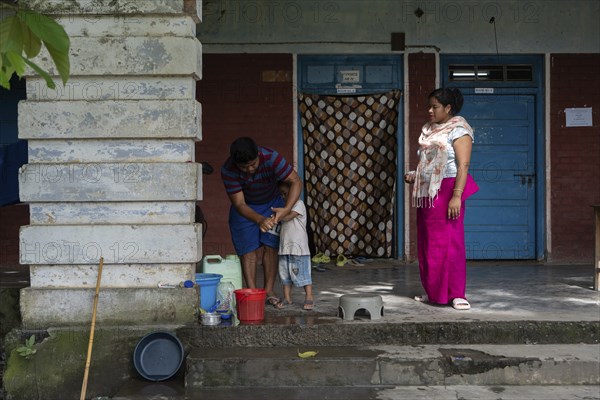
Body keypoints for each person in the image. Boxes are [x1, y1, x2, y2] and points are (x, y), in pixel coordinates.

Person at [404, 88, 479, 310]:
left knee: (450, 242)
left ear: (448, 108)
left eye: (435, 106)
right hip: (428, 192)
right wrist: (416, 175)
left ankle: (456, 294)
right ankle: (434, 291)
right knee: (429, 242)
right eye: (430, 105)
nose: (430, 110)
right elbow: (428, 164)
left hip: (449, 189)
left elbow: (463, 166)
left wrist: (456, 196)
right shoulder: (428, 130)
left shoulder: (460, 130)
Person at [221, 137, 302, 308]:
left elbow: (295, 181)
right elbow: (239, 204)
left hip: (272, 204)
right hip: (245, 209)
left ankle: (269, 291)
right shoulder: (228, 170)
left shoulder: (272, 158)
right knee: (248, 251)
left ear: (258, 155)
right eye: (244, 167)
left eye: (253, 164)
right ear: (236, 164)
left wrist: (286, 209)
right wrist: (259, 219)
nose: (250, 170)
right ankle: (252, 293)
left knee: (270, 248)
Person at [276, 180, 314, 310]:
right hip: (285, 248)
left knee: (303, 273)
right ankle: (287, 298)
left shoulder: (299, 204)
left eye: (286, 193)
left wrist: (276, 216)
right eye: (282, 194)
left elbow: (288, 217)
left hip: (299, 249)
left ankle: (309, 297)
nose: (284, 197)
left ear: (295, 192)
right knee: (285, 275)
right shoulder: (283, 208)